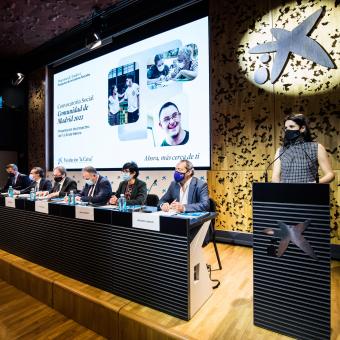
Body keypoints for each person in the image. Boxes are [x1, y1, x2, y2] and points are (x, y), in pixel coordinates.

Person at [272, 113, 335, 183]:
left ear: (302, 128)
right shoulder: (281, 151)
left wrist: (315, 184)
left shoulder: (316, 147)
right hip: (286, 192)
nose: (288, 130)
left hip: (308, 192)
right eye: (286, 128)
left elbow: (330, 175)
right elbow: (275, 178)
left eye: (291, 126)